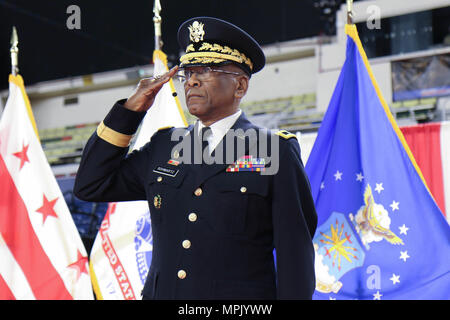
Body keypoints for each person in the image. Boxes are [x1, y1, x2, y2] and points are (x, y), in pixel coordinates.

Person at [74, 16, 317, 299]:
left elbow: (294, 256)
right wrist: (129, 112)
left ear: (240, 86)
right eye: (188, 73)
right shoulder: (165, 146)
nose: (192, 81)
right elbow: (91, 184)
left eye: (206, 71)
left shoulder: (273, 150)